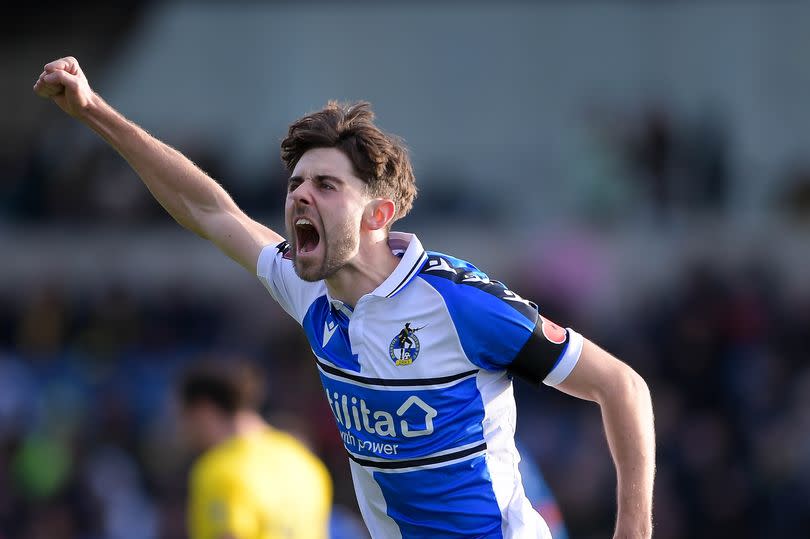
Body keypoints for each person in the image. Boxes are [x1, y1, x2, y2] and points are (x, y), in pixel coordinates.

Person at [34, 56, 655, 538]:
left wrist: (633, 529)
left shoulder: (458, 303)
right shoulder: (310, 293)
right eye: (297, 183)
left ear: (377, 213)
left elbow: (621, 386)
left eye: (326, 185)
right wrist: (93, 111)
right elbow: (207, 208)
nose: (301, 196)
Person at [178, 357, 332, 539]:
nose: (181, 427)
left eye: (183, 415)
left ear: (203, 410)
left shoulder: (220, 469)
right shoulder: (304, 459)